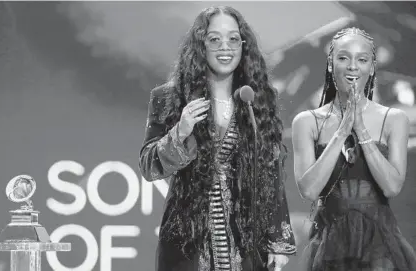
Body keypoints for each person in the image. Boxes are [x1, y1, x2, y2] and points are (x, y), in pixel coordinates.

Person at [139, 5, 296, 271]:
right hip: (187, 240)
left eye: (233, 39)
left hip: (246, 236)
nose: (226, 47)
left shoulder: (256, 99)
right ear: (201, 45)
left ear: (244, 45)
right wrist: (181, 131)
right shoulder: (168, 98)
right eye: (215, 39)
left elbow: (272, 173)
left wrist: (277, 241)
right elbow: (149, 167)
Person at [292, 27, 416, 270]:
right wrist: (340, 133)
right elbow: (308, 189)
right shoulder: (307, 122)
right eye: (343, 58)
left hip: (381, 247)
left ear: (371, 67)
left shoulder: (394, 119)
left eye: (362, 59)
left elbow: (392, 187)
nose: (352, 66)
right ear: (330, 65)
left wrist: (362, 131)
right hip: (329, 246)